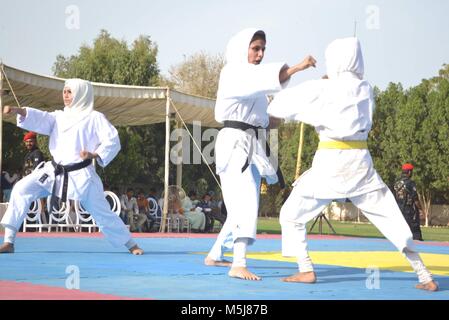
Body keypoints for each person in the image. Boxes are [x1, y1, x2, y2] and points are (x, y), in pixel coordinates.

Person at [267, 37, 437, 291]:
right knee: (392, 220)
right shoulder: (365, 89)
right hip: (360, 165)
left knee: (291, 215)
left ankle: (305, 269)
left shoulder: (323, 88)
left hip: (330, 163)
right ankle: (425, 276)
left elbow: (280, 105)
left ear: (334, 60)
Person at [204, 27, 317, 280]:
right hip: (235, 143)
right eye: (255, 48)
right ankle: (238, 263)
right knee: (245, 202)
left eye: (263, 49)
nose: (260, 54)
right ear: (241, 49)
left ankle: (215, 254)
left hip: (249, 144)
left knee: (239, 207)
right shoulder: (233, 72)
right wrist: (298, 67)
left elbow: (268, 121)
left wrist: (309, 101)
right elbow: (270, 78)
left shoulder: (254, 90)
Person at [0, 79, 144, 255]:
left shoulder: (94, 118)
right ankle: (9, 241)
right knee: (21, 189)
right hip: (53, 171)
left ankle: (131, 244)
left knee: (101, 210)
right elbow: (41, 118)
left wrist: (95, 154)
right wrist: (19, 111)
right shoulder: (59, 116)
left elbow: (112, 140)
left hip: (81, 174)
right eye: (64, 91)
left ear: (81, 94)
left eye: (70, 92)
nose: (65, 95)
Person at [393, 163, 423, 241]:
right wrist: (420, 209)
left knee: (401, 228)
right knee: (415, 228)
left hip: (398, 209)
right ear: (409, 172)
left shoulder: (397, 182)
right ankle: (419, 244)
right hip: (409, 209)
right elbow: (415, 198)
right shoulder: (410, 183)